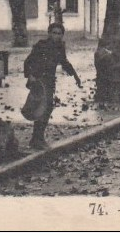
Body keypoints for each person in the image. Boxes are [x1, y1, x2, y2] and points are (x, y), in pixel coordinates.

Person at [24, 22, 81, 150]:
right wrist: (30, 76)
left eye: (60, 34)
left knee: (47, 108)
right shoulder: (41, 46)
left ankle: (37, 138)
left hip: (50, 81)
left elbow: (64, 62)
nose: (57, 36)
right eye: (54, 33)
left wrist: (76, 76)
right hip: (39, 80)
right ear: (49, 34)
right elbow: (28, 61)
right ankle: (37, 139)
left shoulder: (60, 47)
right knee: (42, 108)